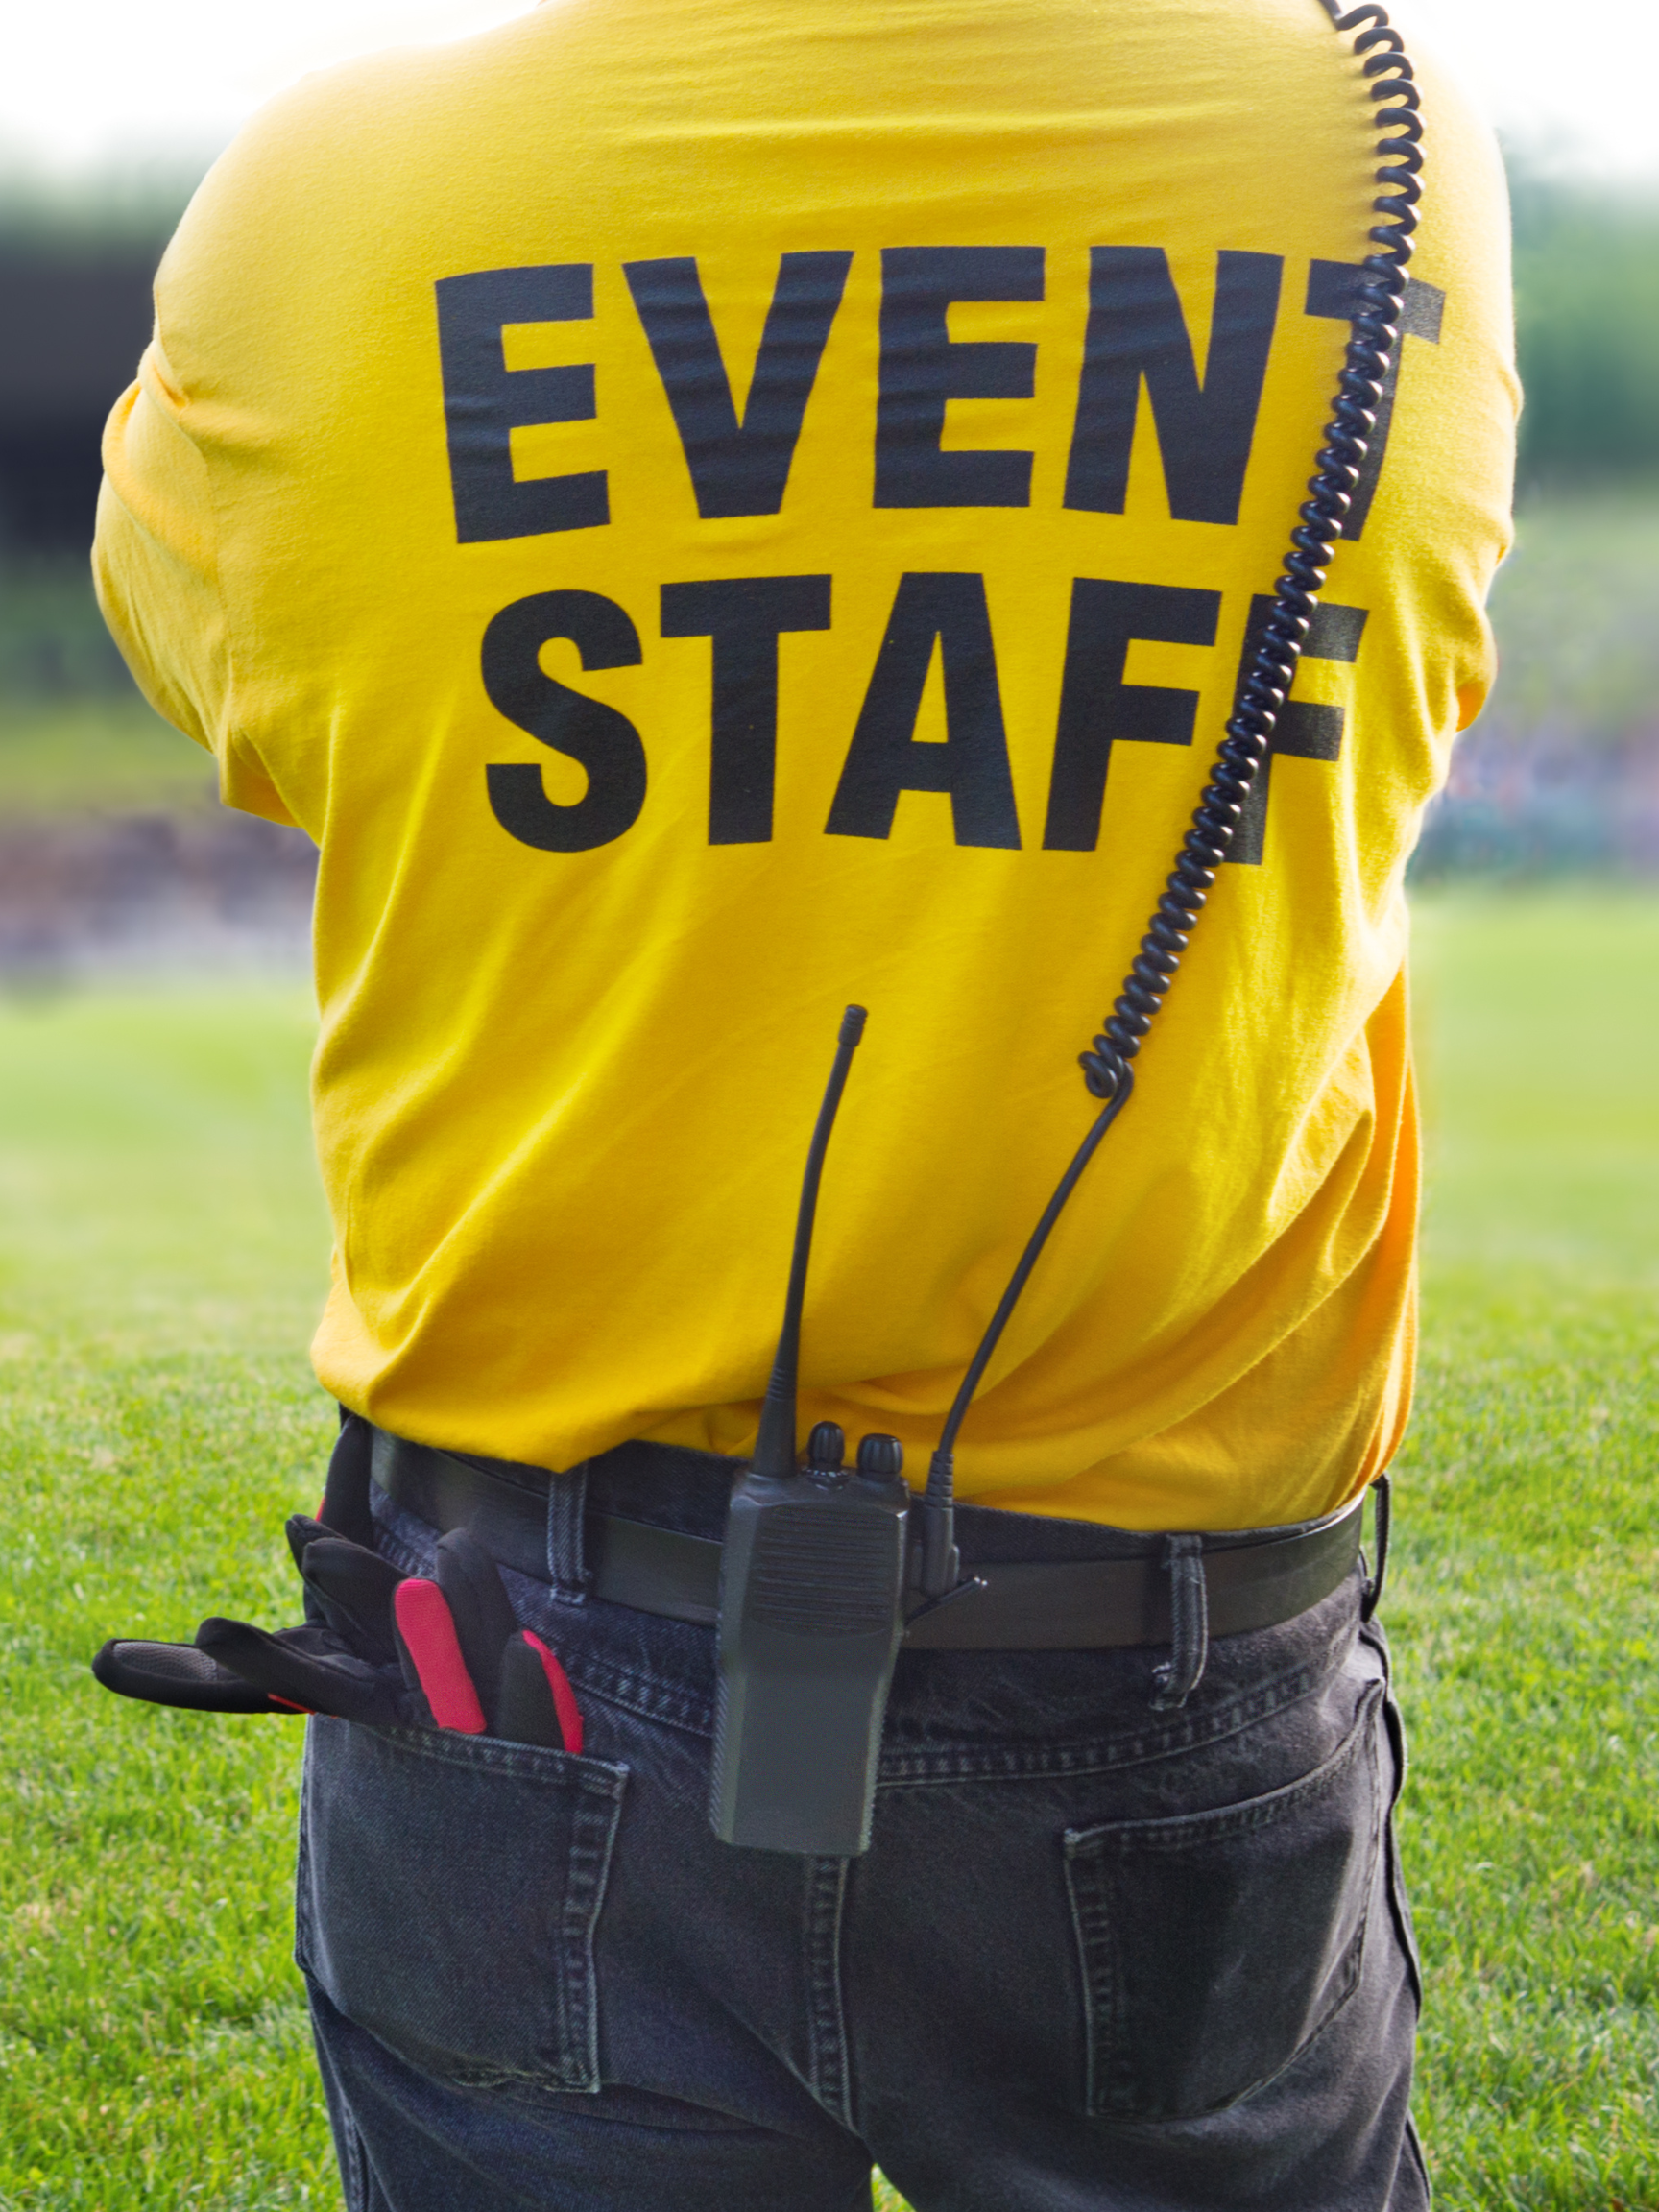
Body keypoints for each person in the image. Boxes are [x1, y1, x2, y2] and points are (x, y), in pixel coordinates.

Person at [90, 0, 1517, 2203]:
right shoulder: (1378, 139)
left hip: (526, 1641)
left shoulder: (321, 205)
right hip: (1157, 1658)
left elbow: (243, 686)